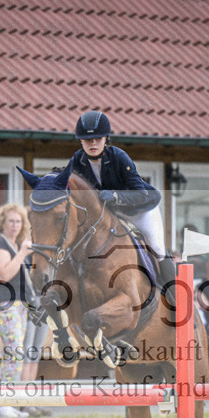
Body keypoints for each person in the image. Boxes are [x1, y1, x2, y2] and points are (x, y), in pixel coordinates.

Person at [67, 110, 176, 301]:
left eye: (97, 139)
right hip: (110, 214)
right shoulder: (78, 160)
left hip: (139, 209)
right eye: (87, 140)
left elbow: (140, 193)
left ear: (106, 139)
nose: (93, 143)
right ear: (81, 141)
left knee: (157, 246)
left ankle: (177, 300)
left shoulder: (119, 157)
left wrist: (116, 196)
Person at [0, 203, 35, 418]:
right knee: (14, 350)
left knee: (16, 353)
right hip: (4, 302)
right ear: (2, 223)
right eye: (11, 221)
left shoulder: (15, 245)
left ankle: (8, 401)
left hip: (20, 303)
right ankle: (2, 403)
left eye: (18, 221)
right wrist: (23, 253)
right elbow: (4, 275)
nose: (15, 226)